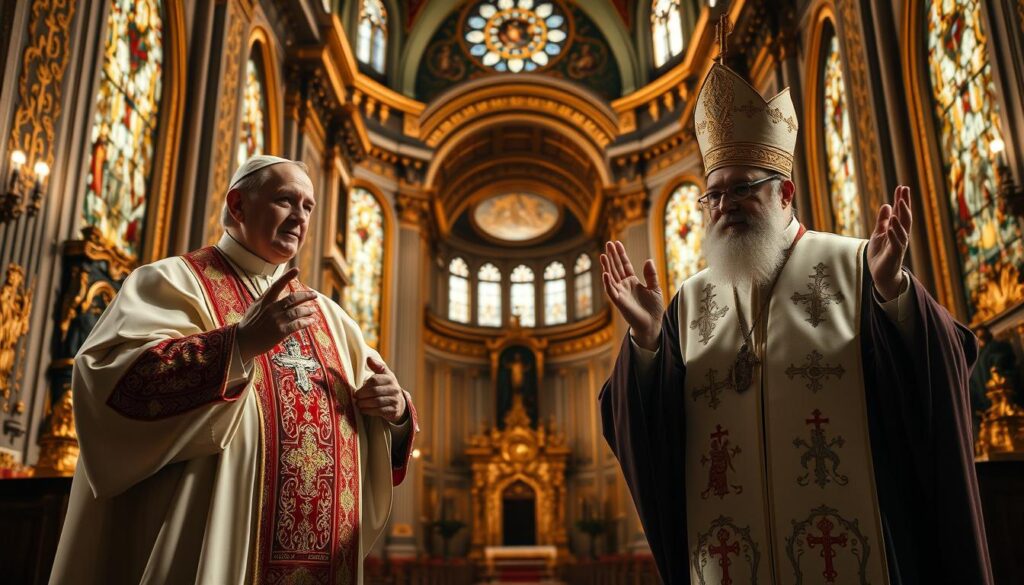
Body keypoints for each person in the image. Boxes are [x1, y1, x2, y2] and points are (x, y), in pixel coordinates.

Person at [599, 63, 992, 584]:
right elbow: (648, 433)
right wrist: (647, 343)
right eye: (713, 195)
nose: (724, 206)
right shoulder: (686, 303)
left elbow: (935, 374)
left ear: (784, 193)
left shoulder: (859, 266)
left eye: (742, 189)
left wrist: (895, 296)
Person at [50, 155, 418, 585]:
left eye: (307, 206)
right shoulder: (171, 282)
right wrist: (237, 345)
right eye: (285, 200)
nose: (299, 216)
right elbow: (111, 380)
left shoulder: (334, 320)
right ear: (238, 206)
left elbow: (374, 410)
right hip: (209, 543)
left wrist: (396, 414)